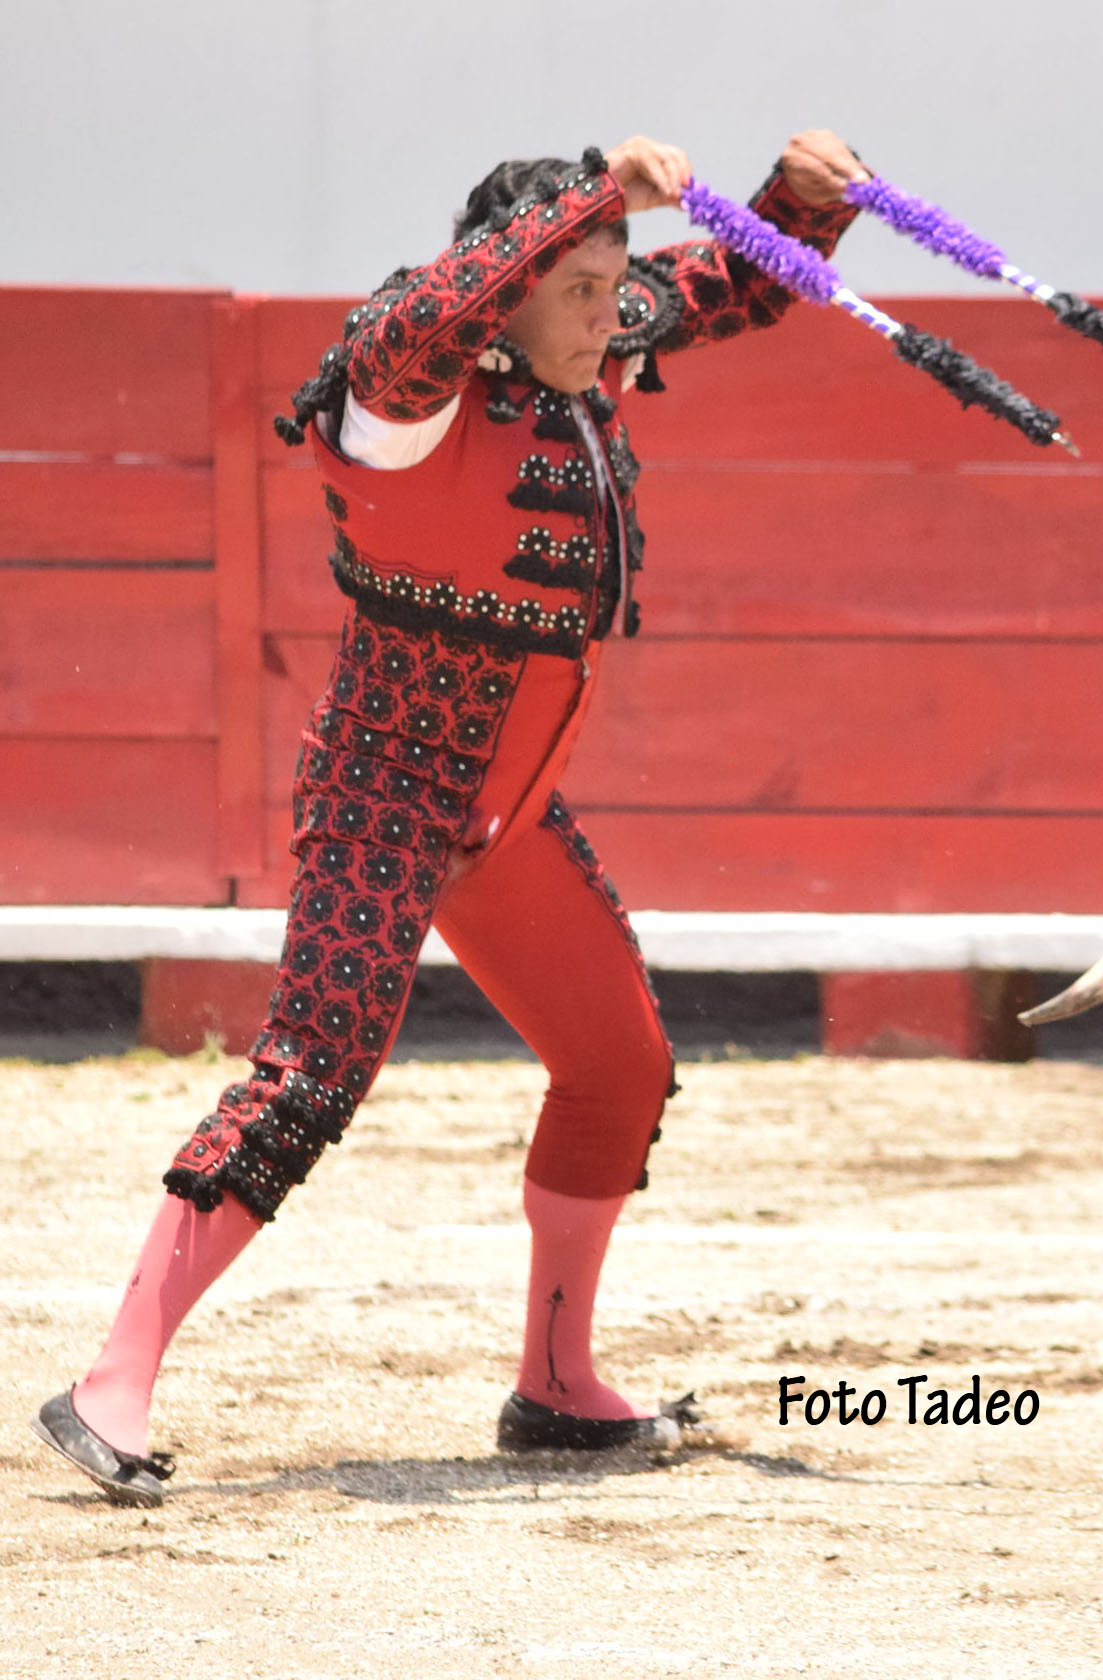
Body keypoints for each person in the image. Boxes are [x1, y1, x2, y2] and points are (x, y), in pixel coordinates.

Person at [33, 129, 868, 1508]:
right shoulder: (404, 389)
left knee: (619, 1064)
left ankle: (555, 1385)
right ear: (514, 290)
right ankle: (114, 1380)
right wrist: (599, 197)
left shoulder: (582, 347)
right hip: (383, 796)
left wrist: (799, 205)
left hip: (507, 818)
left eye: (617, 286)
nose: (618, 312)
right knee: (308, 1075)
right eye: (590, 287)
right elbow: (431, 309)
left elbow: (735, 288)